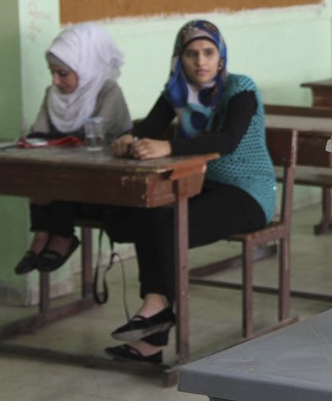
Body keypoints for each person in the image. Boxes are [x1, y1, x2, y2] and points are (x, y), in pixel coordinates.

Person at [106, 19, 275, 364]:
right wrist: (128, 140)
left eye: (209, 52)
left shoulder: (240, 89)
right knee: (149, 209)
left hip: (248, 194)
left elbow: (227, 141)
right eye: (192, 53)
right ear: (179, 58)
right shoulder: (177, 92)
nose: (201, 61)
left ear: (221, 56)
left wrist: (168, 147)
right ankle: (153, 331)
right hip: (202, 187)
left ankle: (156, 308)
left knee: (166, 222)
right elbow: (148, 129)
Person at [14, 23, 131, 275]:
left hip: (105, 192)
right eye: (52, 72)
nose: (56, 81)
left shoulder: (109, 92)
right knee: (43, 169)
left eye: (63, 73)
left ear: (85, 67)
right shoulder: (53, 94)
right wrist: (52, 140)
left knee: (58, 172)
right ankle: (43, 233)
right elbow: (38, 134)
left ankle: (62, 236)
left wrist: (56, 140)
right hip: (67, 183)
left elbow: (91, 135)